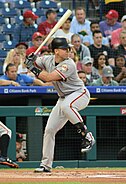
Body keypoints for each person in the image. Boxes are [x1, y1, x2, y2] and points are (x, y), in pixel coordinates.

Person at [25, 37, 95, 172]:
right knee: (49, 130)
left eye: (68, 48)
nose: (68, 51)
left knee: (66, 106)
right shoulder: (47, 59)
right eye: (64, 49)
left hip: (79, 94)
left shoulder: (69, 64)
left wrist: (32, 67)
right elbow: (35, 62)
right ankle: (46, 165)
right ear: (56, 51)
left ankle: (86, 135)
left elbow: (48, 78)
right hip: (63, 98)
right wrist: (31, 58)